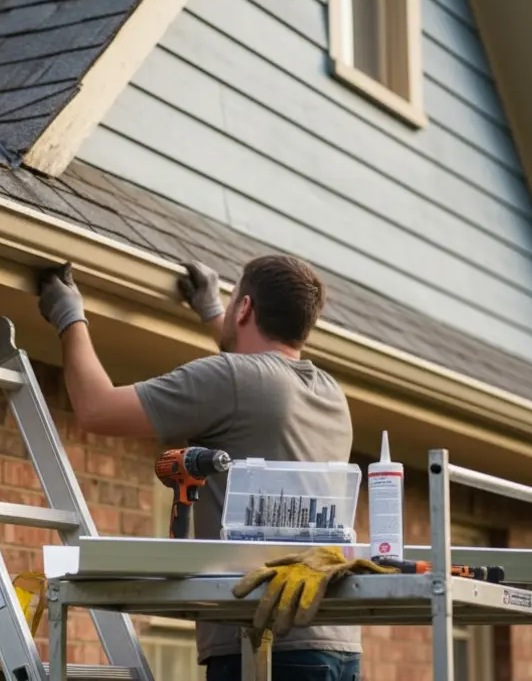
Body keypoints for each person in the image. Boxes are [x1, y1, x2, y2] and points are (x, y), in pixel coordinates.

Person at [36, 255, 361, 681]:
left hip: (262, 646)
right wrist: (213, 311)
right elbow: (252, 372)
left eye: (232, 303)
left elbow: (97, 410)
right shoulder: (329, 393)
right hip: (335, 642)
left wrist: (68, 315)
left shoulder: (234, 380)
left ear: (244, 309)